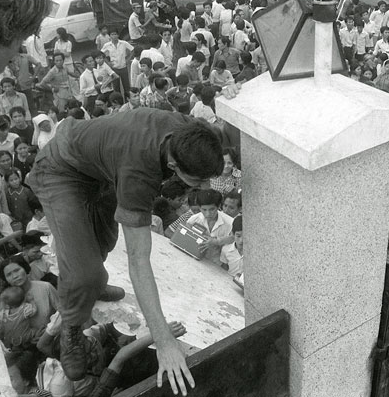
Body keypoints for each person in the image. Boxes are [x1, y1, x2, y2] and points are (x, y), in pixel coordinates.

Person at [27, 107, 237, 393]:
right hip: (61, 170)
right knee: (84, 273)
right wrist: (163, 341)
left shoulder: (192, 132)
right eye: (198, 181)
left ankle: (93, 287)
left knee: (104, 242)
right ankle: (71, 327)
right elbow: (139, 260)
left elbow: (226, 131)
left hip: (101, 168)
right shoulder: (139, 172)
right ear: (174, 165)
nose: (205, 187)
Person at [186, 189, 234, 266]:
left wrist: (217, 242)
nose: (208, 213)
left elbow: (235, 238)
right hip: (194, 260)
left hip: (217, 265)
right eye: (204, 210)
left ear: (218, 206)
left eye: (212, 209)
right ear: (199, 207)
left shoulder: (230, 223)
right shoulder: (193, 220)